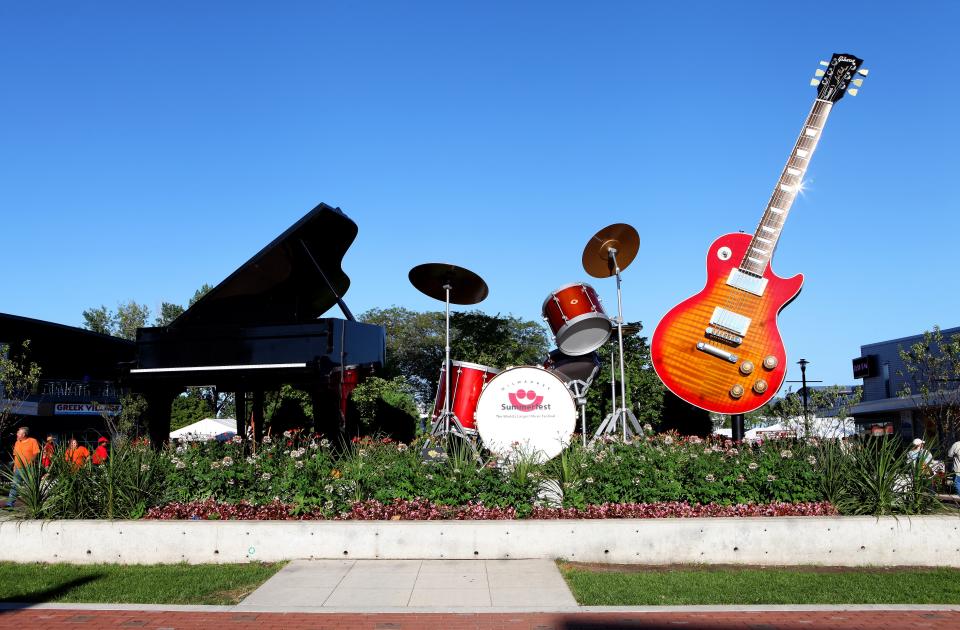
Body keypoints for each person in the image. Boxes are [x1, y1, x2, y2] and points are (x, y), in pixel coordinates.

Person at [5, 426, 40, 508]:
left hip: (29, 468)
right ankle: (10, 503)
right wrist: (14, 467)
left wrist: (31, 462)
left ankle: (34, 504)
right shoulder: (17, 442)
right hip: (18, 469)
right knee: (14, 485)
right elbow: (15, 456)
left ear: (24, 434)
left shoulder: (33, 441)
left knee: (31, 486)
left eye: (18, 433)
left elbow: (36, 453)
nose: (17, 434)